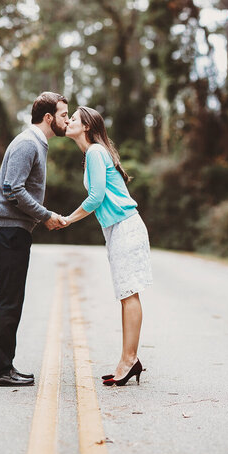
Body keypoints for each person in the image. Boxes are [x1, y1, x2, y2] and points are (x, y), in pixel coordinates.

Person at [57, 105, 153, 386]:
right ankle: (127, 359)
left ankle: (129, 360)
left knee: (129, 293)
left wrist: (68, 219)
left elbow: (97, 197)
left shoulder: (96, 153)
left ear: (86, 126)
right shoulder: (92, 155)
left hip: (126, 227)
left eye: (73, 118)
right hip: (118, 229)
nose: (69, 121)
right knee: (126, 294)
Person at [0, 91, 70, 388]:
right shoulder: (27, 143)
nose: (67, 121)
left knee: (12, 300)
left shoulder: (36, 144)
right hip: (7, 230)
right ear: (48, 118)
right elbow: (12, 190)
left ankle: (3, 366)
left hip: (14, 230)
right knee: (9, 300)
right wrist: (45, 215)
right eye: (63, 115)